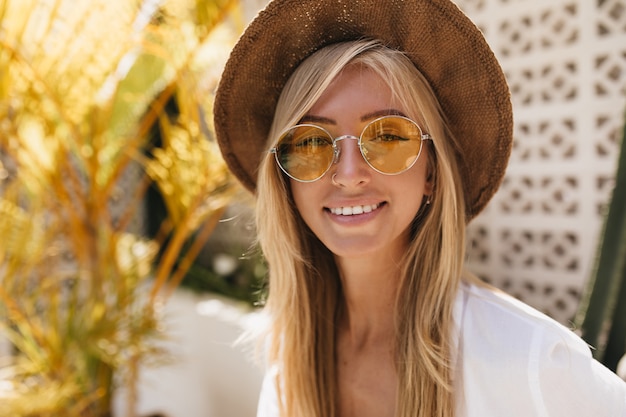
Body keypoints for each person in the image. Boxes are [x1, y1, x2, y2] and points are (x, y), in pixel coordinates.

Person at [213, 0, 626, 416]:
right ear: (285, 181)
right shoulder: (287, 358)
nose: (349, 174)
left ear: (431, 172)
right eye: (312, 142)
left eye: (388, 137)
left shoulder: (530, 360)